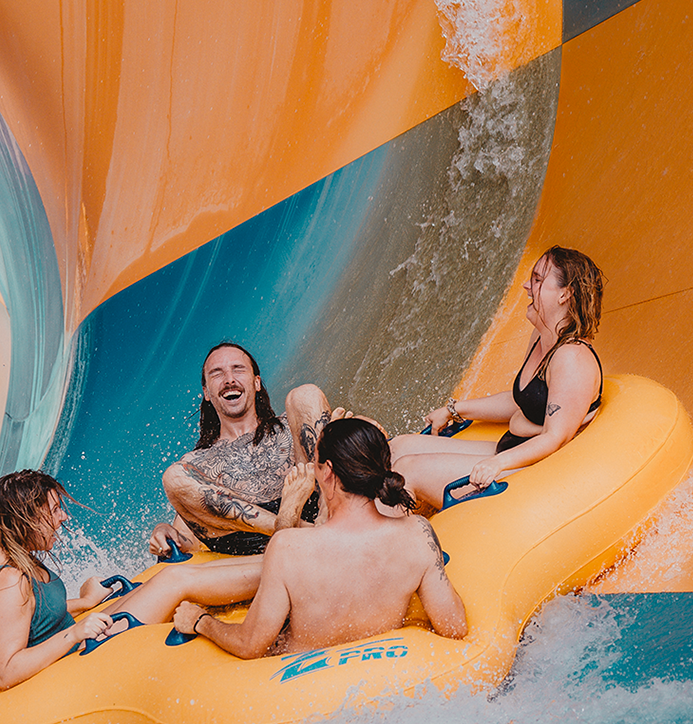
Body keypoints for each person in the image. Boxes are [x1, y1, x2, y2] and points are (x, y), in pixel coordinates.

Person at [170, 418, 468, 657]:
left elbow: (250, 644)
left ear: (327, 473)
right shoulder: (417, 532)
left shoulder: (288, 547)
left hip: (304, 689)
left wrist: (201, 621)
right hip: (387, 673)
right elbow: (454, 626)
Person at [389, 247, 605, 512]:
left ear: (565, 293)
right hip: (507, 449)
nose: (527, 285)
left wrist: (497, 464)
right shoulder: (541, 338)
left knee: (405, 472)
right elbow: (521, 401)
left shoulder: (572, 359)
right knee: (397, 449)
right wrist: (454, 409)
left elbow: (555, 437)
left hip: (528, 472)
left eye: (537, 280)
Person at [147, 342, 341, 557]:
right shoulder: (198, 463)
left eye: (238, 369)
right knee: (173, 476)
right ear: (207, 393)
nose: (229, 379)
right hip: (256, 547)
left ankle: (327, 515)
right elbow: (189, 537)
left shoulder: (292, 426)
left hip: (318, 512)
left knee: (305, 394)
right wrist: (163, 529)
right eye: (217, 373)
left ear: (256, 383)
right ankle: (284, 526)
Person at [0, 470, 123, 689]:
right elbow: (5, 672)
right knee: (171, 581)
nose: (63, 517)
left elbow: (28, 615)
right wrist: (73, 634)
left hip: (68, 649)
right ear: (26, 520)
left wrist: (86, 602)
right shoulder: (9, 581)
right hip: (62, 673)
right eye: (54, 510)